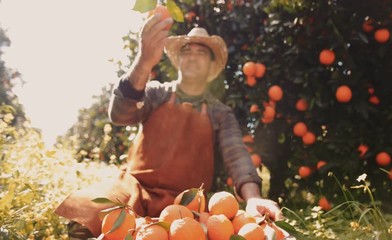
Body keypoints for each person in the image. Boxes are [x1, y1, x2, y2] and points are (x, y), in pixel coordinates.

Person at [55, 13, 283, 237]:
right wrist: (143, 61)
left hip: (185, 202)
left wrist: (253, 197)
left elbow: (237, 155)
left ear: (211, 65)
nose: (193, 57)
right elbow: (120, 114)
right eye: (187, 51)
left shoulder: (220, 113)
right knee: (84, 223)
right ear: (179, 60)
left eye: (201, 53)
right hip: (133, 188)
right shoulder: (156, 93)